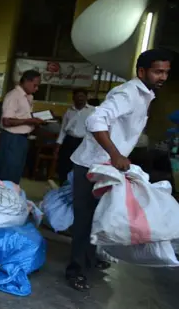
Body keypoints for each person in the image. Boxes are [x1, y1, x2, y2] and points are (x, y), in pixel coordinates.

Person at [66, 49, 172, 292]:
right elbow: (95, 121)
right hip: (91, 164)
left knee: (98, 217)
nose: (162, 77)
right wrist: (115, 154)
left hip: (107, 167)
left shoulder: (145, 95)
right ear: (142, 71)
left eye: (166, 72)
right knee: (85, 220)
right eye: (158, 71)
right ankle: (75, 270)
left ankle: (89, 261)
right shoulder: (128, 93)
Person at [0, 70, 46, 184]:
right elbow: (6, 121)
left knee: (16, 172)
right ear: (27, 81)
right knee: (7, 172)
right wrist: (30, 120)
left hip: (21, 139)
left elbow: (21, 116)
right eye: (35, 85)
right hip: (12, 138)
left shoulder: (27, 97)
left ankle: (11, 197)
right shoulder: (14, 96)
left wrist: (34, 120)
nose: (37, 88)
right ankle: (1, 197)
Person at [55, 89, 93, 182]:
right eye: (77, 96)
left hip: (84, 142)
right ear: (73, 98)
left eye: (82, 96)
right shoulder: (69, 111)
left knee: (80, 165)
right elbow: (63, 129)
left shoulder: (93, 111)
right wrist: (58, 144)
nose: (80, 99)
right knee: (64, 164)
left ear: (86, 97)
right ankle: (63, 184)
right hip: (69, 140)